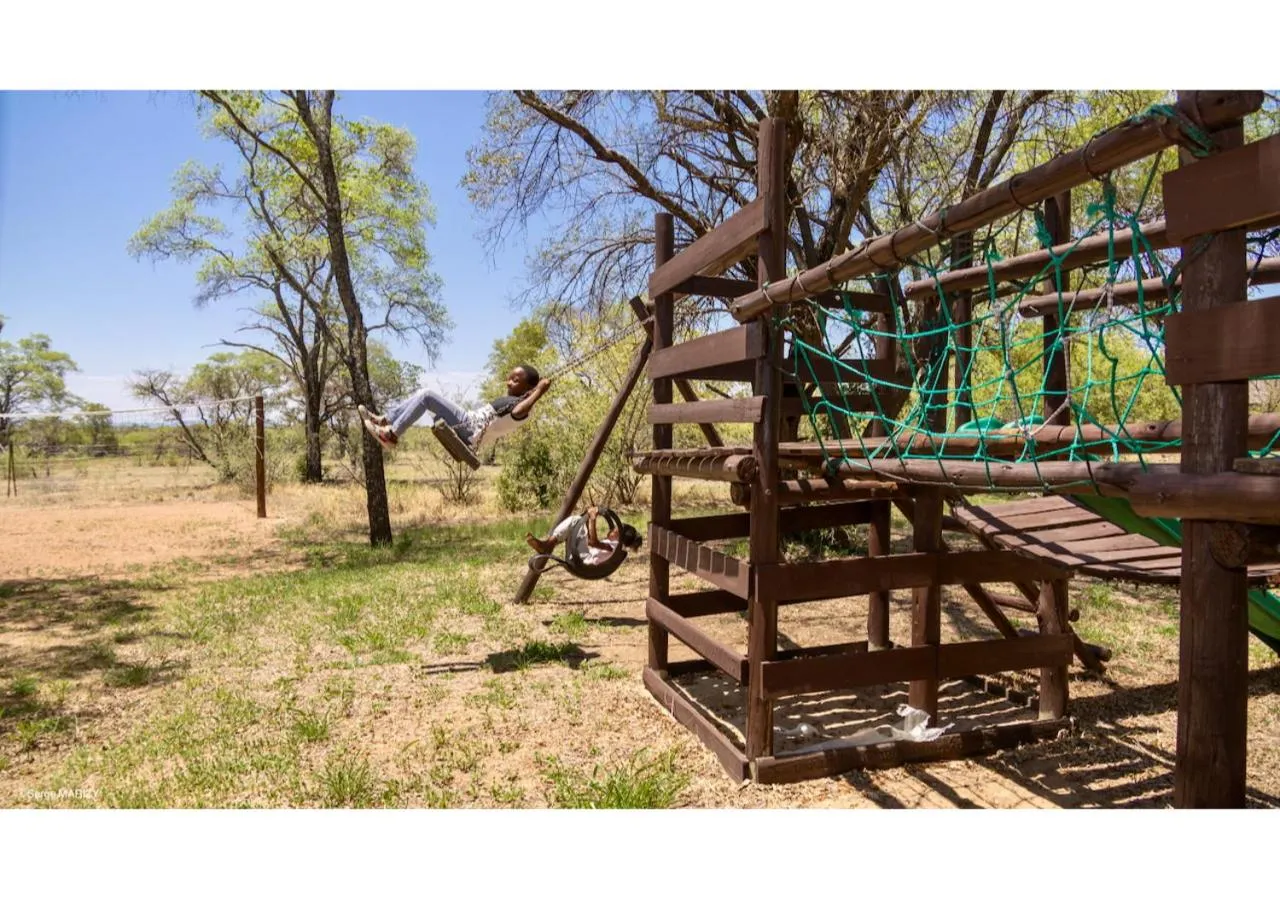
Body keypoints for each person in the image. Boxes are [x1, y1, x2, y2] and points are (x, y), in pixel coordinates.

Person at [358, 365, 550, 453]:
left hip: (469, 429)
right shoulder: (512, 401)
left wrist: (539, 391)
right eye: (509, 377)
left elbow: (519, 411)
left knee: (427, 395)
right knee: (423, 395)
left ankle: (391, 434)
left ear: (528, 388)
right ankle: (386, 421)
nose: (509, 382)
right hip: (469, 423)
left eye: (515, 380)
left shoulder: (521, 408)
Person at [526, 506, 643, 567]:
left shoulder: (615, 546)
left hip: (582, 562)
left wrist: (592, 518)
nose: (611, 530)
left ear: (619, 536)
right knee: (577, 523)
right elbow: (589, 541)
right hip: (581, 559)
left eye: (614, 530)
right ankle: (548, 544)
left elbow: (593, 542)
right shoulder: (615, 547)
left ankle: (547, 545)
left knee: (576, 520)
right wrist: (588, 518)